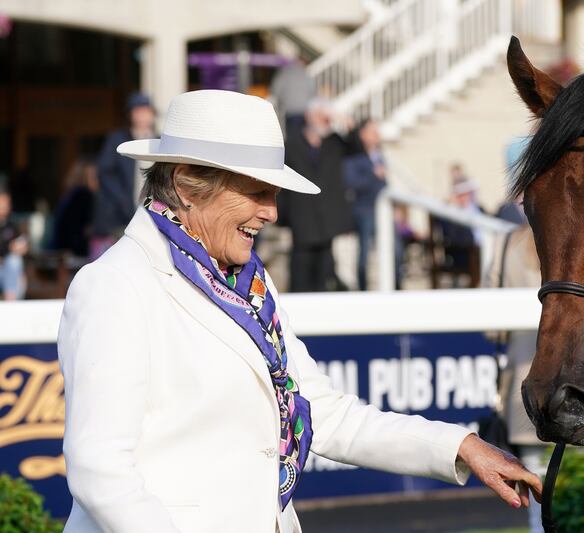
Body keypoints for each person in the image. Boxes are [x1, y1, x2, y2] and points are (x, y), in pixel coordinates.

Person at [58, 90, 542, 533]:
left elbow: (326, 414)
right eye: (256, 192)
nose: (272, 212)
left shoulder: (249, 283)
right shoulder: (114, 285)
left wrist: (460, 446)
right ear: (187, 184)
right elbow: (101, 471)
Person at [484, 226, 545, 533]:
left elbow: (491, 326)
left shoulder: (504, 243)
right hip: (581, 379)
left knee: (534, 479)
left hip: (525, 378)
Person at [278, 99, 354, 292]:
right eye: (320, 115)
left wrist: (343, 120)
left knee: (325, 278)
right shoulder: (292, 144)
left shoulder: (335, 142)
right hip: (302, 221)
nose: (324, 120)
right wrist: (282, 216)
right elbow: (282, 183)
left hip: (327, 223)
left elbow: (359, 147)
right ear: (309, 116)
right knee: (300, 277)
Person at [91, 92, 156, 259]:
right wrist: (123, 200)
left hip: (151, 215)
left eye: (145, 110)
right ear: (130, 114)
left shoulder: (159, 141)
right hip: (117, 217)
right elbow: (104, 172)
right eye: (138, 111)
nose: (142, 116)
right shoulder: (117, 139)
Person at [343, 119, 387, 291]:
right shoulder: (355, 157)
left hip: (382, 211)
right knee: (365, 254)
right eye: (372, 131)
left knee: (392, 251)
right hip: (365, 210)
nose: (377, 135)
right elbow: (351, 182)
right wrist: (373, 175)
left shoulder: (380, 156)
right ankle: (363, 288)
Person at [50, 157, 98, 257]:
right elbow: (82, 228)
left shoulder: (70, 194)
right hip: (74, 252)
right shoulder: (83, 195)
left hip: (61, 248)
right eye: (94, 177)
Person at [270, 60, 317, 138]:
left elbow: (275, 90)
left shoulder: (284, 73)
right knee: (301, 136)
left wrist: (281, 100)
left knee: (291, 136)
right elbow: (312, 92)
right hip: (304, 111)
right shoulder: (305, 74)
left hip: (290, 110)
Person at [0, 189, 27, 300]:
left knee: (15, 262)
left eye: (7, 203)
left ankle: (10, 298)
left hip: (9, 269)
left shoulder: (11, 224)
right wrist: (9, 248)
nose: (4, 206)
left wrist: (22, 248)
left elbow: (22, 244)